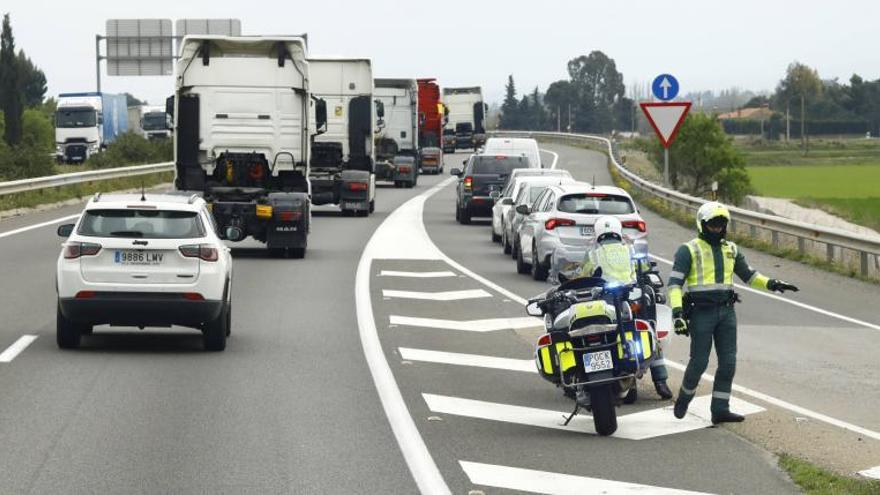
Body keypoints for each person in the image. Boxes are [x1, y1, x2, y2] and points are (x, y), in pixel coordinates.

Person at [667, 202, 799, 424]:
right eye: (713, 223)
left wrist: (774, 284)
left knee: (728, 363)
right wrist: (678, 314)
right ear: (702, 224)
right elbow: (674, 285)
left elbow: (749, 276)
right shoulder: (688, 250)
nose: (718, 227)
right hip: (701, 313)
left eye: (722, 223)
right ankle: (684, 398)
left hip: (727, 313)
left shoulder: (731, 249)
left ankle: (720, 408)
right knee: (699, 362)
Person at [578, 216, 673, 399]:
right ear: (619, 232)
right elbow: (645, 268)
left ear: (598, 234)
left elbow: (585, 275)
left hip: (607, 301)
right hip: (634, 297)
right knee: (650, 334)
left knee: (611, 337)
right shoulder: (630, 248)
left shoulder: (591, 253)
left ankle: (631, 383)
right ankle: (660, 382)